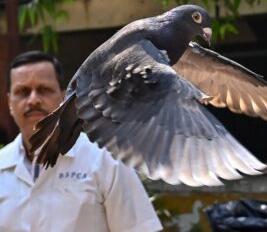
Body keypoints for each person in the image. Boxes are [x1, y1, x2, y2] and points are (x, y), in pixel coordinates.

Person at [0, 51, 163, 232]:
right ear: (9, 102)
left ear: (63, 97)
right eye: (23, 92)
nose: (33, 99)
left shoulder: (106, 159)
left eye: (44, 89)